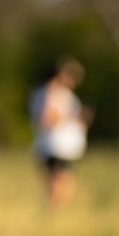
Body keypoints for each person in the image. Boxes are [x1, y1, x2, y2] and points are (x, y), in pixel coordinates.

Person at [32, 56, 92, 209]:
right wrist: (72, 115)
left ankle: (53, 215)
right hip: (56, 146)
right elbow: (47, 119)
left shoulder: (53, 92)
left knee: (58, 183)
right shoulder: (52, 92)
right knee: (60, 184)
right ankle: (54, 214)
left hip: (57, 146)